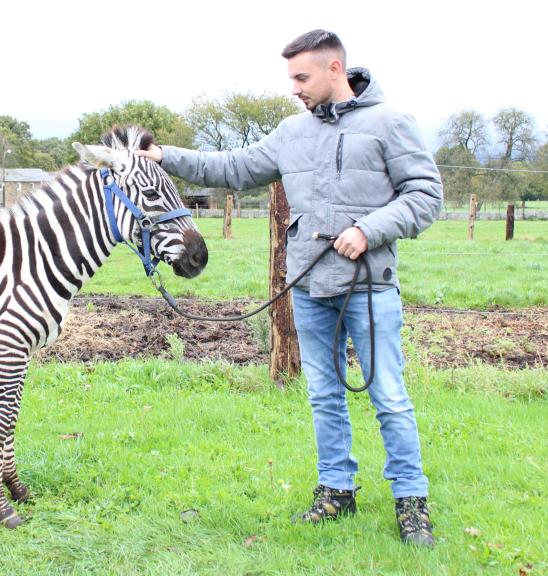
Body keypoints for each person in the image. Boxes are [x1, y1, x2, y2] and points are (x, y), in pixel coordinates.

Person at [136, 29, 442, 547]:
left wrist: (370, 229)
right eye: (291, 78)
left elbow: (425, 195)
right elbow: (232, 167)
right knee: (324, 396)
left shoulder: (391, 124)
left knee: (388, 397)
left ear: (335, 70)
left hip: (369, 288)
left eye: (301, 77)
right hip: (307, 286)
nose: (294, 88)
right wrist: (165, 155)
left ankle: (411, 503)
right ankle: (336, 491)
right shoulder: (290, 132)